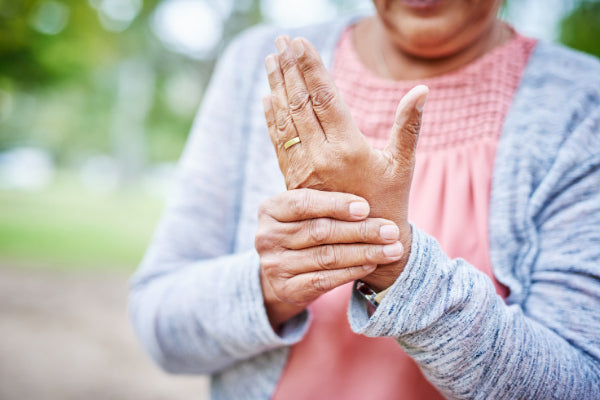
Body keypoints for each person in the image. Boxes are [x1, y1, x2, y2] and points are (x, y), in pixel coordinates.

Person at [129, 0, 600, 398]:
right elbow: (160, 327)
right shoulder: (260, 65)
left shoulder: (581, 102)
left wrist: (398, 266)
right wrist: (270, 285)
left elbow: (582, 380)